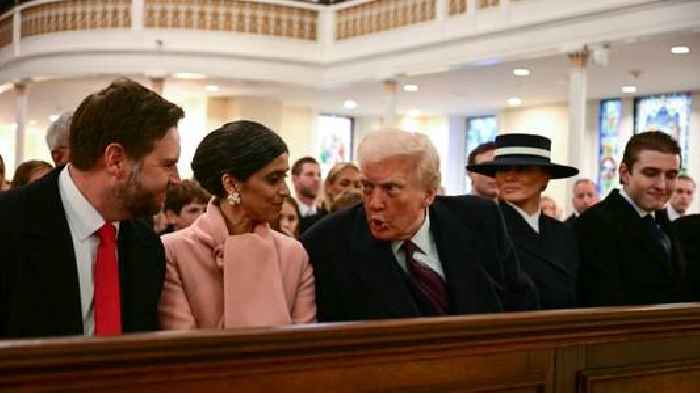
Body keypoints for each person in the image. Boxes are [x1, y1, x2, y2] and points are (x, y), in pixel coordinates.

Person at [0, 78, 183, 338]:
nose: (176, 179)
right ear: (115, 160)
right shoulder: (8, 225)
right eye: (167, 164)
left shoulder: (147, 248)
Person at [302, 129, 537, 322]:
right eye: (367, 187)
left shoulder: (480, 220)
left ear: (429, 193)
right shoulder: (327, 244)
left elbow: (522, 306)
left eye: (390, 189)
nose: (374, 203)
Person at [159, 120, 315, 329]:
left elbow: (302, 346)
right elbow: (184, 349)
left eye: (284, 177)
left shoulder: (293, 255)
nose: (285, 190)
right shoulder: (173, 251)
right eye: (273, 179)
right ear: (231, 184)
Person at [576, 131, 693, 306]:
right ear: (624, 173)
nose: (662, 185)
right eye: (651, 173)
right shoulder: (595, 224)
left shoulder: (662, 220)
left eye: (670, 175)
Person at [468, 133, 579, 309]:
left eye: (523, 169)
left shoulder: (563, 232)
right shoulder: (484, 230)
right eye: (503, 169)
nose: (510, 177)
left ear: (545, 179)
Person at [300, 162, 362, 234]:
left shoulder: (368, 224)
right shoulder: (311, 225)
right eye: (344, 184)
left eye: (357, 186)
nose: (352, 190)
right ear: (329, 186)